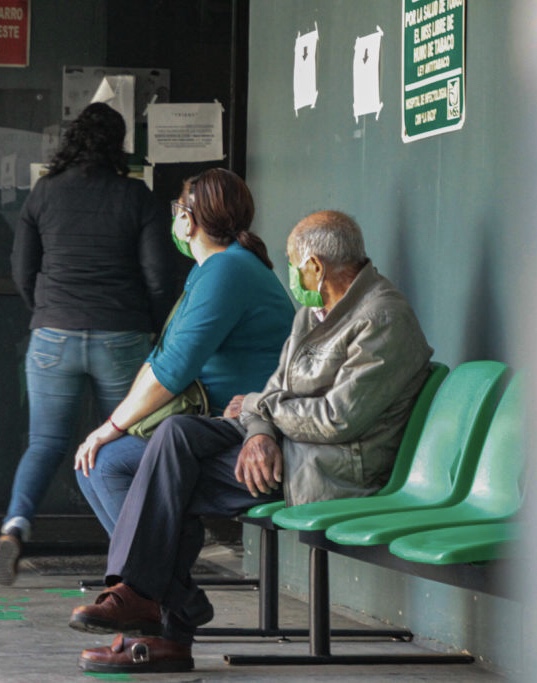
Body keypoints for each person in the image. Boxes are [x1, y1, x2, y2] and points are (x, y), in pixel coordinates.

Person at [69, 210, 433, 674]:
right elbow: (274, 389)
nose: (290, 272)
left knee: (167, 485)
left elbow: (336, 420)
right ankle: (150, 602)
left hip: (323, 464)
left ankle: (161, 622)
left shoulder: (382, 317)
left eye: (292, 262)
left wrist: (263, 414)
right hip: (282, 442)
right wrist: (260, 431)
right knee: (176, 434)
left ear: (315, 266)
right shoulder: (312, 311)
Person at [0, 102, 173, 585]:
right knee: (128, 441)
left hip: (53, 334)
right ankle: (134, 553)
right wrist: (152, 327)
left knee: (46, 442)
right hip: (121, 335)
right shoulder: (137, 197)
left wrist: (45, 313)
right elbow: (157, 275)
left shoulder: (44, 194)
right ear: (120, 145)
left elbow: (22, 270)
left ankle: (13, 526)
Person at [73, 168, 294, 538]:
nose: (174, 217)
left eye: (178, 208)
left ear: (188, 220)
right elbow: (159, 358)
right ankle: (158, 587)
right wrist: (110, 427)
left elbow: (173, 372)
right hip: (211, 427)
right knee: (95, 463)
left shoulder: (229, 269)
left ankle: (158, 588)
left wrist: (110, 430)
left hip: (244, 429)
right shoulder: (210, 270)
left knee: (107, 464)